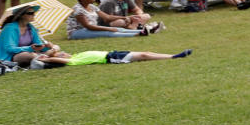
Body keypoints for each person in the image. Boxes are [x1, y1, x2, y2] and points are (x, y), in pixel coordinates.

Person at [0, 4, 67, 65]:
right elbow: (10, 49)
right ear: (21, 15)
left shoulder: (31, 27)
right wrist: (30, 48)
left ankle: (45, 58)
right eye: (30, 13)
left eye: (34, 12)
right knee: (30, 55)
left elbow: (38, 45)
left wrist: (47, 46)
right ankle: (49, 58)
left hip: (32, 52)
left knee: (56, 47)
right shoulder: (10, 28)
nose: (34, 14)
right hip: (10, 57)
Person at [67, 0, 148, 39]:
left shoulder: (91, 6)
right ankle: (138, 34)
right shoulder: (78, 9)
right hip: (77, 32)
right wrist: (108, 28)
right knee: (108, 33)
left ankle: (142, 31)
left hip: (92, 28)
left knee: (120, 29)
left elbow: (107, 17)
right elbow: (88, 26)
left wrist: (125, 17)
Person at [30, 48, 192, 69]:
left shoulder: (77, 55)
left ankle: (171, 55)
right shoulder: (74, 61)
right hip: (111, 58)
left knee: (146, 53)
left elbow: (56, 54)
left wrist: (53, 51)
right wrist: (46, 58)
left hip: (113, 53)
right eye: (61, 54)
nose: (63, 53)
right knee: (143, 56)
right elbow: (56, 59)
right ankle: (173, 57)